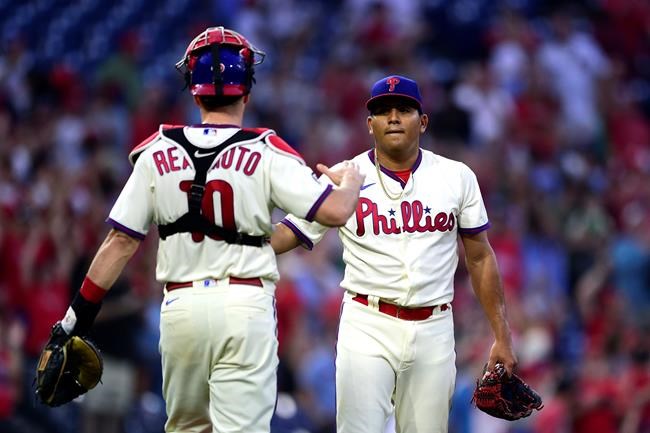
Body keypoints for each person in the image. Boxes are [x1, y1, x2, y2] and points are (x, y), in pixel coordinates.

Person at [43, 26, 364, 433]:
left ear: (193, 92)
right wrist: (351, 180)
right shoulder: (264, 149)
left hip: (181, 311)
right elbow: (335, 211)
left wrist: (73, 322)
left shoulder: (156, 151)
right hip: (244, 305)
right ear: (246, 90)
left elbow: (120, 241)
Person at [271, 75, 518, 433]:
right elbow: (288, 234)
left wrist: (502, 334)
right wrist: (232, 241)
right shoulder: (345, 178)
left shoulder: (456, 176)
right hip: (367, 323)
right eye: (383, 111)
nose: (393, 117)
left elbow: (480, 257)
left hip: (434, 326)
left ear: (423, 120)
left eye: (404, 109)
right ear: (369, 124)